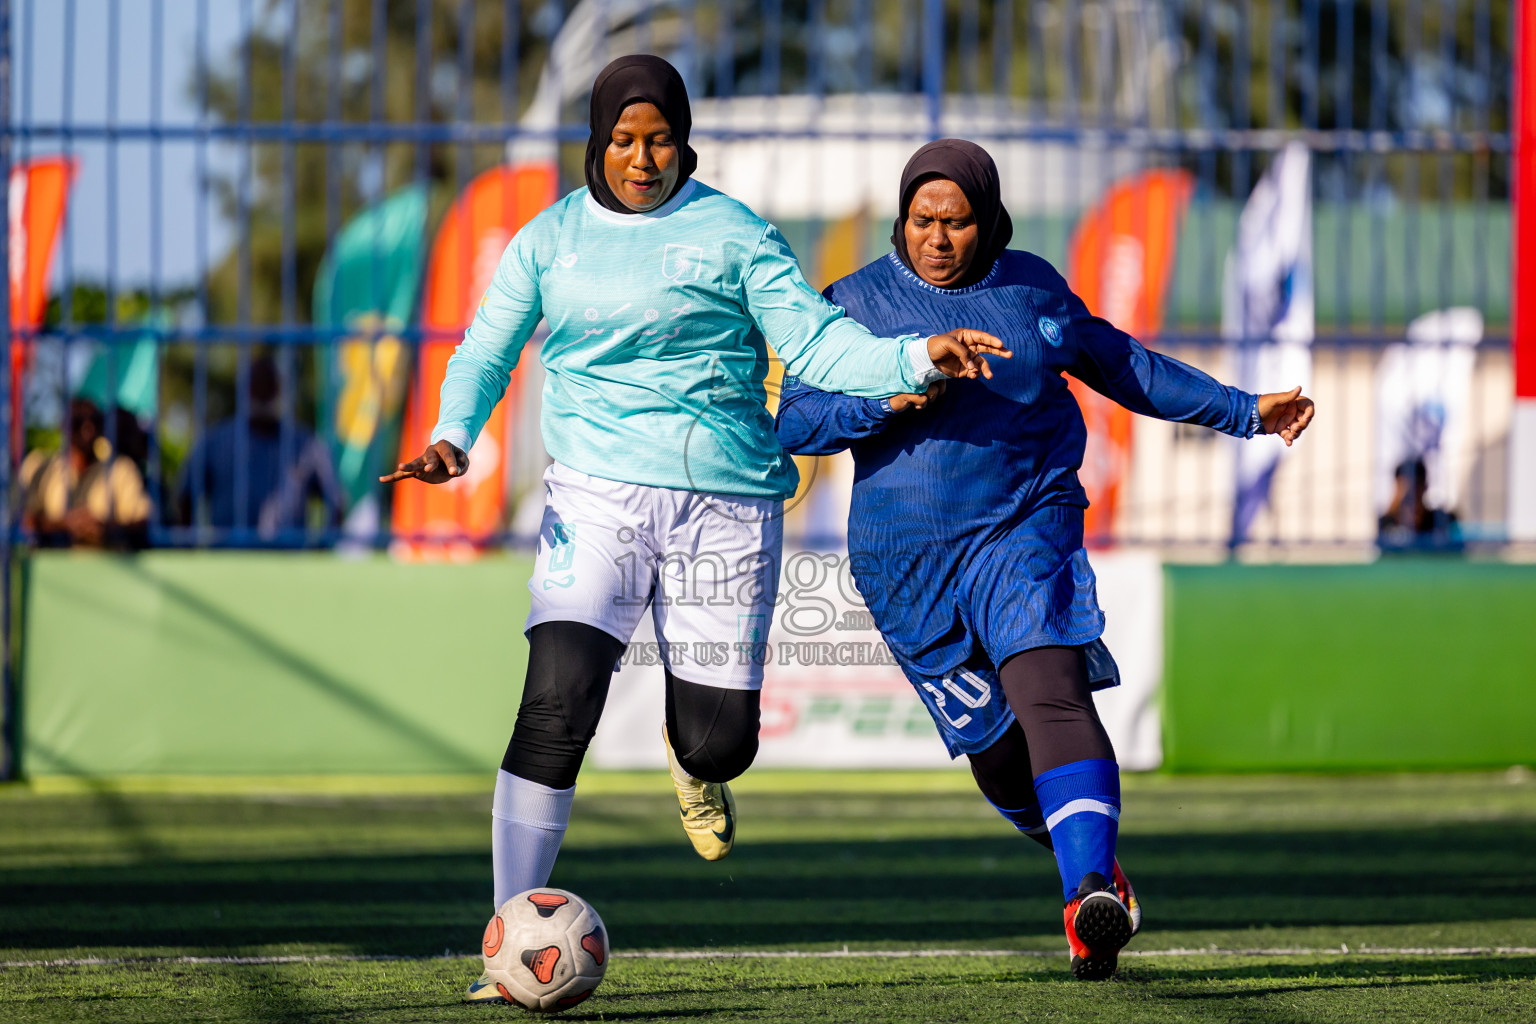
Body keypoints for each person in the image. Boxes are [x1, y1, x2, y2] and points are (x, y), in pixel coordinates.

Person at [378, 57, 1008, 1004]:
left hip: (727, 501)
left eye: (659, 139)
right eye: (624, 141)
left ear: (684, 141)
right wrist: (451, 437)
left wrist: (917, 350)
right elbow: (485, 350)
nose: (643, 159)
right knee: (557, 706)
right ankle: (506, 937)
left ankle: (692, 759)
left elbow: (815, 341)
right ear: (597, 143)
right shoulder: (548, 240)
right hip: (595, 495)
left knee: (719, 744)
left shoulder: (734, 232)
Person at [775, 139, 1315, 980]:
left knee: (1048, 690)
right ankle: (1088, 872)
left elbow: (1121, 364)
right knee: (997, 756)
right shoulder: (849, 304)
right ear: (901, 218)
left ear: (989, 223)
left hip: (1024, 525)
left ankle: (1088, 890)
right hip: (905, 568)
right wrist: (885, 399)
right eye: (924, 220)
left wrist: (1245, 410)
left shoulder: (1030, 292)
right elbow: (794, 422)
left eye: (958, 222)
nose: (939, 238)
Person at [178, 353, 345, 543]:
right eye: (257, 387)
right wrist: (187, 547)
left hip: (289, 563)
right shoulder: (216, 442)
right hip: (228, 559)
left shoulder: (306, 445)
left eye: (269, 387)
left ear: (279, 390)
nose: (263, 393)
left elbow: (336, 501)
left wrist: (322, 550)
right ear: (246, 390)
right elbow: (186, 496)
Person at [20, 397, 152, 549]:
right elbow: (25, 522)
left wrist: (106, 528)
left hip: (105, 567)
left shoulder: (121, 469)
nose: (87, 428)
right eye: (78, 421)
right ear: (64, 426)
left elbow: (143, 521)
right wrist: (63, 525)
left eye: (95, 421)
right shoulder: (42, 468)